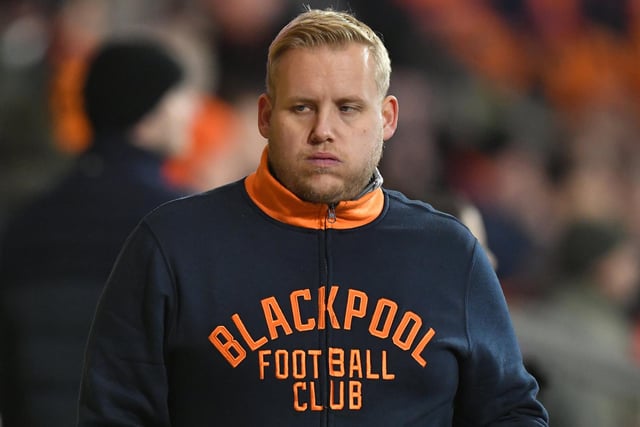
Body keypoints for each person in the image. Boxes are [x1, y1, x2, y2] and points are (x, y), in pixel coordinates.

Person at [77, 8, 548, 426]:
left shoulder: (449, 253)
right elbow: (114, 413)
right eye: (302, 108)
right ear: (265, 116)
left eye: (348, 109)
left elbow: (511, 411)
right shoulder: (172, 246)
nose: (323, 131)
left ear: (386, 118)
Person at [0, 36, 198, 427]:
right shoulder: (182, 221)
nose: (192, 111)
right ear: (148, 110)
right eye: (180, 96)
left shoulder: (26, 221)